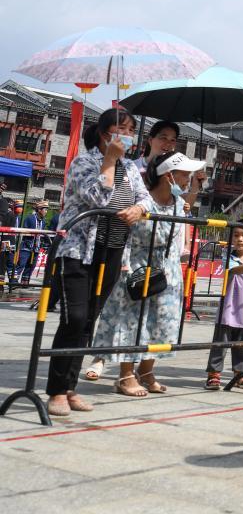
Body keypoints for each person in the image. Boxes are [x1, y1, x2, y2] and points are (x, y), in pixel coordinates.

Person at [45, 108, 151, 416]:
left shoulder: (131, 168)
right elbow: (98, 198)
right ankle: (55, 390)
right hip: (80, 251)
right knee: (74, 318)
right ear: (106, 133)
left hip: (113, 251)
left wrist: (139, 210)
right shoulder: (84, 162)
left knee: (90, 319)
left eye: (131, 130)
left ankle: (70, 387)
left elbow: (145, 197)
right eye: (122, 129)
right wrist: (108, 162)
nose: (127, 135)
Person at [91, 152, 199, 397]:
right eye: (184, 175)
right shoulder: (143, 202)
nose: (187, 179)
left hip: (168, 268)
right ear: (168, 175)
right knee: (131, 321)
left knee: (164, 321)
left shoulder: (179, 204)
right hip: (138, 265)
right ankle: (125, 375)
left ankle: (147, 371)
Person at [206, 219, 243, 390]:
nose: (240, 239)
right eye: (236, 235)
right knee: (220, 345)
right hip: (228, 310)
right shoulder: (228, 256)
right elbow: (235, 271)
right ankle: (214, 375)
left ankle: (240, 374)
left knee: (242, 346)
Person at [134, 120, 204, 213]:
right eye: (163, 138)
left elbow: (183, 210)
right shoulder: (132, 167)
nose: (168, 143)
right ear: (150, 140)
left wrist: (195, 187)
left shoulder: (177, 173)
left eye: (173, 140)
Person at [13, 200, 51, 285]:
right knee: (21, 264)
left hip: (36, 248)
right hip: (26, 246)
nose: (46, 211)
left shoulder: (43, 221)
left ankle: (25, 282)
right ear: (39, 209)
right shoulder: (30, 218)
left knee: (31, 266)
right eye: (45, 209)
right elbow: (24, 231)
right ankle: (14, 282)